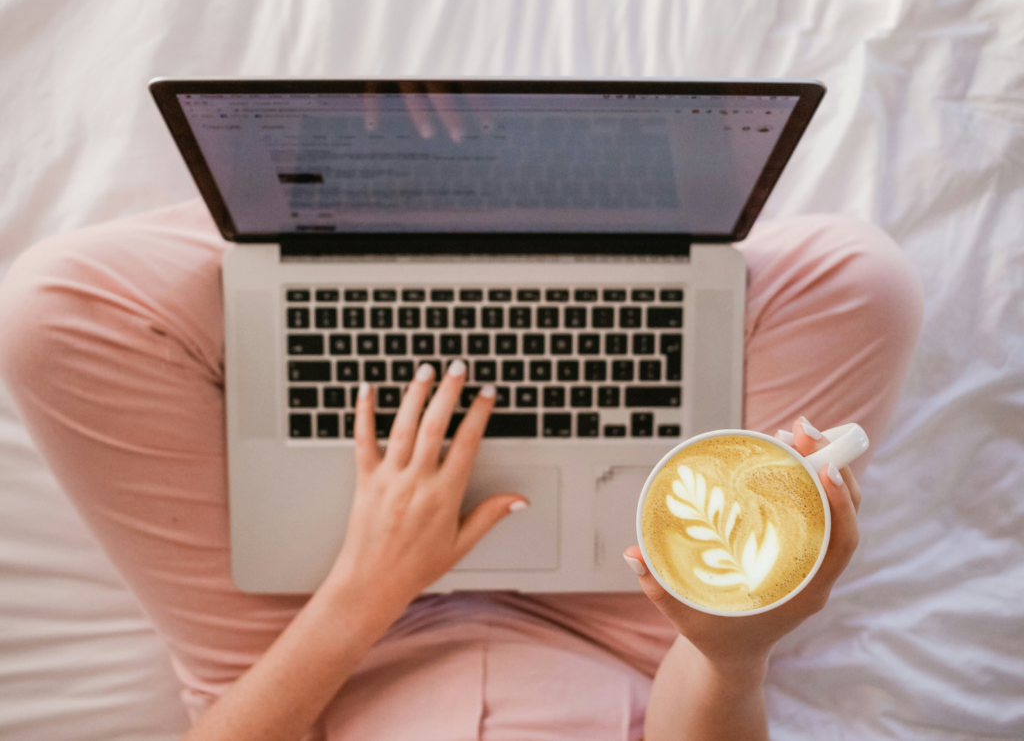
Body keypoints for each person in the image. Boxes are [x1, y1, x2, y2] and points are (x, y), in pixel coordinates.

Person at [0, 199, 923, 740]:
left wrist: (367, 587)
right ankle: (557, 218)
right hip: (638, 643)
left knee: (54, 310)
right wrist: (732, 647)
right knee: (858, 281)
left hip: (317, 656)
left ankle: (353, 213)